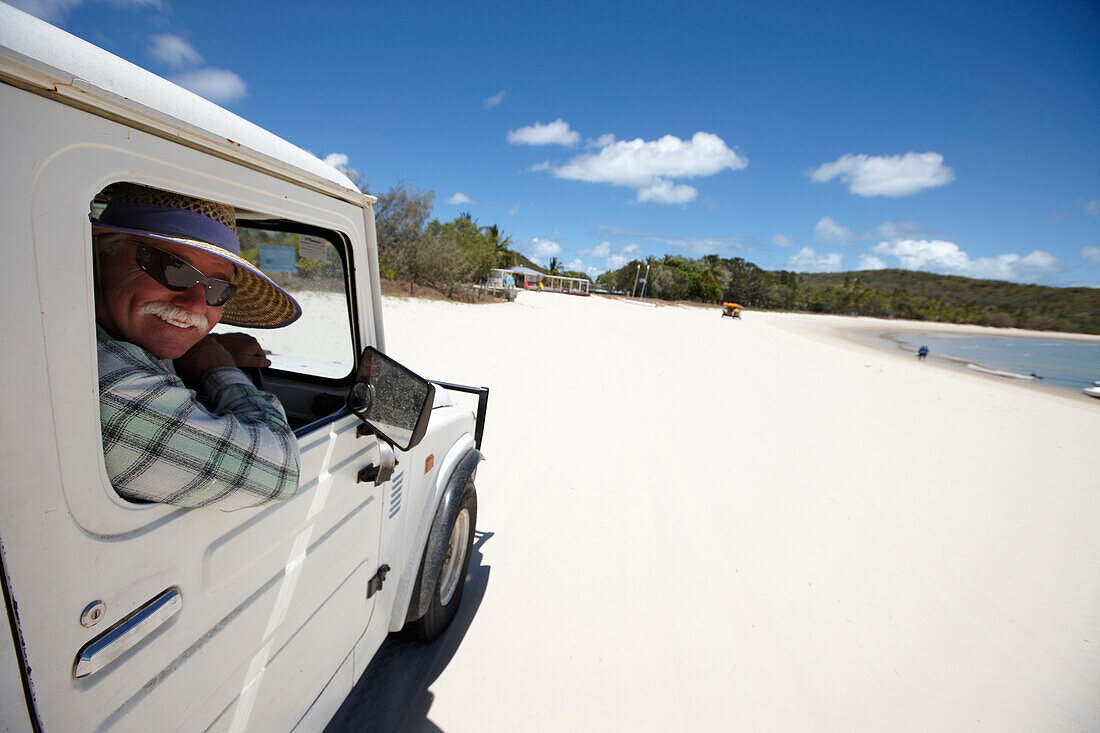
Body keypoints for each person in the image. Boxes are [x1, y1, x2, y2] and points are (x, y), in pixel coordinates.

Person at [92, 183, 303, 509]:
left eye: (218, 289)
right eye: (172, 267)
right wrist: (217, 368)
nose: (194, 304)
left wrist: (204, 345)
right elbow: (279, 469)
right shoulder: (103, 379)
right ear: (98, 256)